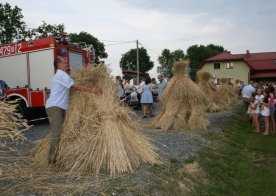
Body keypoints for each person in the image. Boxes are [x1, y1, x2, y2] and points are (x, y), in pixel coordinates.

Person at [46, 58, 101, 164]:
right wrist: (93, 90)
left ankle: (58, 155)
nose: (66, 63)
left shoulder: (61, 75)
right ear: (59, 64)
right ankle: (52, 159)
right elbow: (76, 86)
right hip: (55, 107)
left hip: (59, 107)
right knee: (56, 133)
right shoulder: (61, 75)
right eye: (64, 62)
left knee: (61, 131)